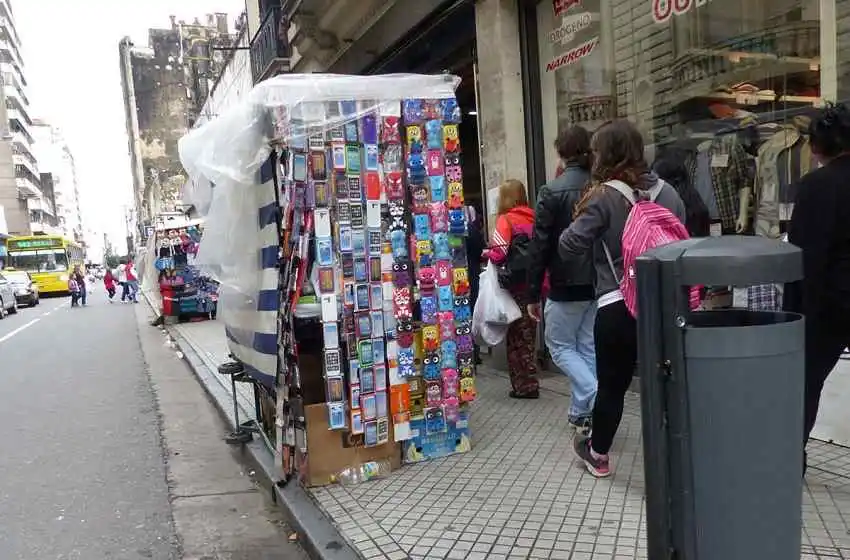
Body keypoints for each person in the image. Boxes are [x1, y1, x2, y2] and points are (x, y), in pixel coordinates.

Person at [558, 120, 686, 477]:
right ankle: (672, 456)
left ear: (606, 154)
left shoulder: (603, 197)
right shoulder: (669, 194)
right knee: (665, 380)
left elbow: (569, 245)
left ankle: (598, 454)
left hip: (617, 304)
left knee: (613, 385)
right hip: (663, 304)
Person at [783, 103, 850, 468]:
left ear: (818, 147)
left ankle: (792, 459)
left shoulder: (815, 187)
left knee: (805, 384)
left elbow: (803, 257)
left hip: (827, 303)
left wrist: (792, 313)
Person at [527, 126, 598, 434]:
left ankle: (594, 392)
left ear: (561, 153)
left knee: (558, 346)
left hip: (564, 281)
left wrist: (532, 292)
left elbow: (540, 245)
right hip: (598, 281)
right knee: (587, 347)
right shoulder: (600, 187)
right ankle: (581, 412)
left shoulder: (550, 191)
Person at [487, 179, 540, 399]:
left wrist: (486, 255)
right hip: (535, 286)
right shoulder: (535, 218)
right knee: (529, 335)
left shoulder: (506, 220)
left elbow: (498, 252)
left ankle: (524, 386)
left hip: (514, 287)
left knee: (516, 337)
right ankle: (531, 380)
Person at [465, 204, 486, 364]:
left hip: (451, 279)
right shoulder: (472, 229)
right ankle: (474, 353)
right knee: (472, 313)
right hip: (472, 275)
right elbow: (480, 251)